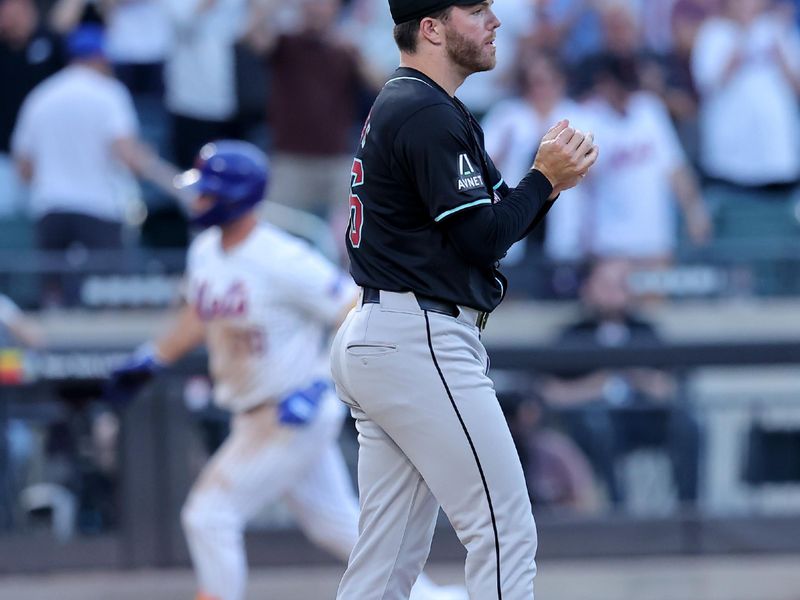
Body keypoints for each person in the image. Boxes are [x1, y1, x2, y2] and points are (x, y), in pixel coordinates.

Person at [104, 141, 465, 600]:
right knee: (336, 526)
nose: (198, 199)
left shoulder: (282, 258)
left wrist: (320, 383)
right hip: (255, 412)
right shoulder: (206, 252)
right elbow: (202, 311)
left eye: (208, 192)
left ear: (235, 197)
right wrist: (153, 356)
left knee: (209, 514)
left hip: (292, 411)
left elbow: (357, 311)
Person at [329, 1, 598, 598]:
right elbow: (483, 239)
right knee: (503, 530)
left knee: (386, 561)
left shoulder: (423, 104)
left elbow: (497, 217)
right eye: (475, 11)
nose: (495, 22)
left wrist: (543, 184)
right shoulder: (423, 110)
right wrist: (545, 179)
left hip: (387, 329)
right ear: (431, 27)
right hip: (418, 335)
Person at [11, 24, 182, 305]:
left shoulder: (40, 96)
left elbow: (24, 169)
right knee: (105, 300)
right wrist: (147, 161)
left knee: (52, 301)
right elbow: (127, 155)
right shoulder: (109, 93)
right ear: (101, 58)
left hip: (50, 210)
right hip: (99, 211)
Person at [541, 258, 701, 509]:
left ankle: (689, 512)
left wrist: (636, 375)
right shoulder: (571, 335)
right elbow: (550, 393)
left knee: (688, 425)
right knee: (600, 425)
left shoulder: (646, 331)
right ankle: (618, 513)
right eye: (606, 284)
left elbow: (669, 387)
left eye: (621, 284)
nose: (614, 291)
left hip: (642, 418)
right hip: (592, 425)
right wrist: (595, 385)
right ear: (588, 288)